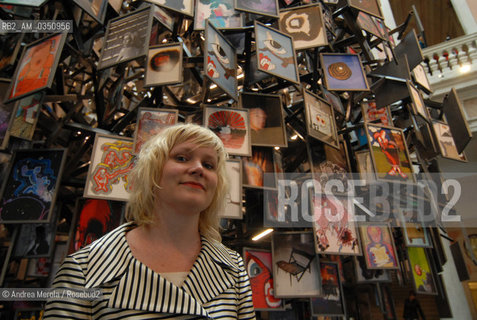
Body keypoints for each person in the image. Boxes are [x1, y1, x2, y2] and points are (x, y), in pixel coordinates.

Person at [44, 124, 256, 319]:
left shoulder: (233, 268)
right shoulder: (84, 269)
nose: (198, 168)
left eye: (209, 164)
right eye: (182, 158)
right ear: (152, 171)